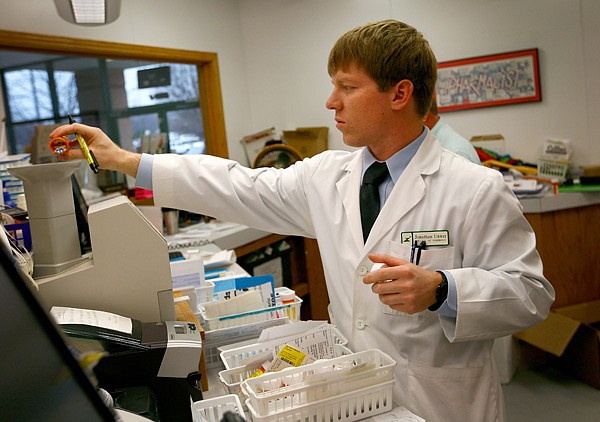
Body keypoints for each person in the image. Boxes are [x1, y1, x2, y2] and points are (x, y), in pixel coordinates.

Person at [50, 19, 554, 422]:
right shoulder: (326, 176)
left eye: (346, 88)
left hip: (440, 402)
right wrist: (127, 162)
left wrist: (444, 289)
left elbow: (531, 293)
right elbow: (237, 185)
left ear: (399, 94)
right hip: (352, 395)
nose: (330, 102)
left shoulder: (474, 188)